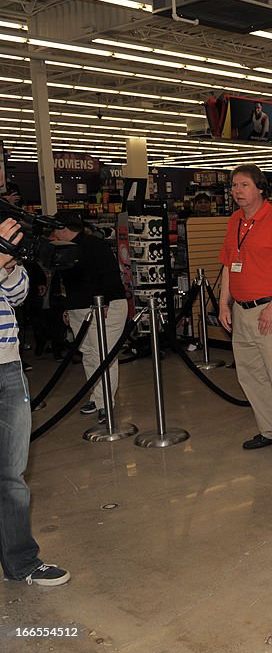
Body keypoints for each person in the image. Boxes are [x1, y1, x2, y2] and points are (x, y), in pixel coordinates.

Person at [0, 217, 70, 586]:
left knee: (12, 477)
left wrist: (10, 268)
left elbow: (18, 295)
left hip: (8, 364)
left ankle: (21, 562)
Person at [217, 164, 272, 468]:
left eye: (244, 185)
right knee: (251, 375)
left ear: (260, 188)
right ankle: (270, 430)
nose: (237, 191)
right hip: (241, 310)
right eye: (234, 185)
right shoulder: (235, 221)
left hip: (270, 311)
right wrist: (224, 303)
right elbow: (228, 263)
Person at [51, 211, 128, 421]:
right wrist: (68, 308)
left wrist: (104, 301)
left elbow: (110, 274)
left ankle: (106, 403)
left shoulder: (94, 245)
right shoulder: (65, 248)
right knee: (89, 354)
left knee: (104, 355)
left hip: (104, 307)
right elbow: (68, 284)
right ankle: (97, 396)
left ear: (63, 228)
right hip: (80, 309)